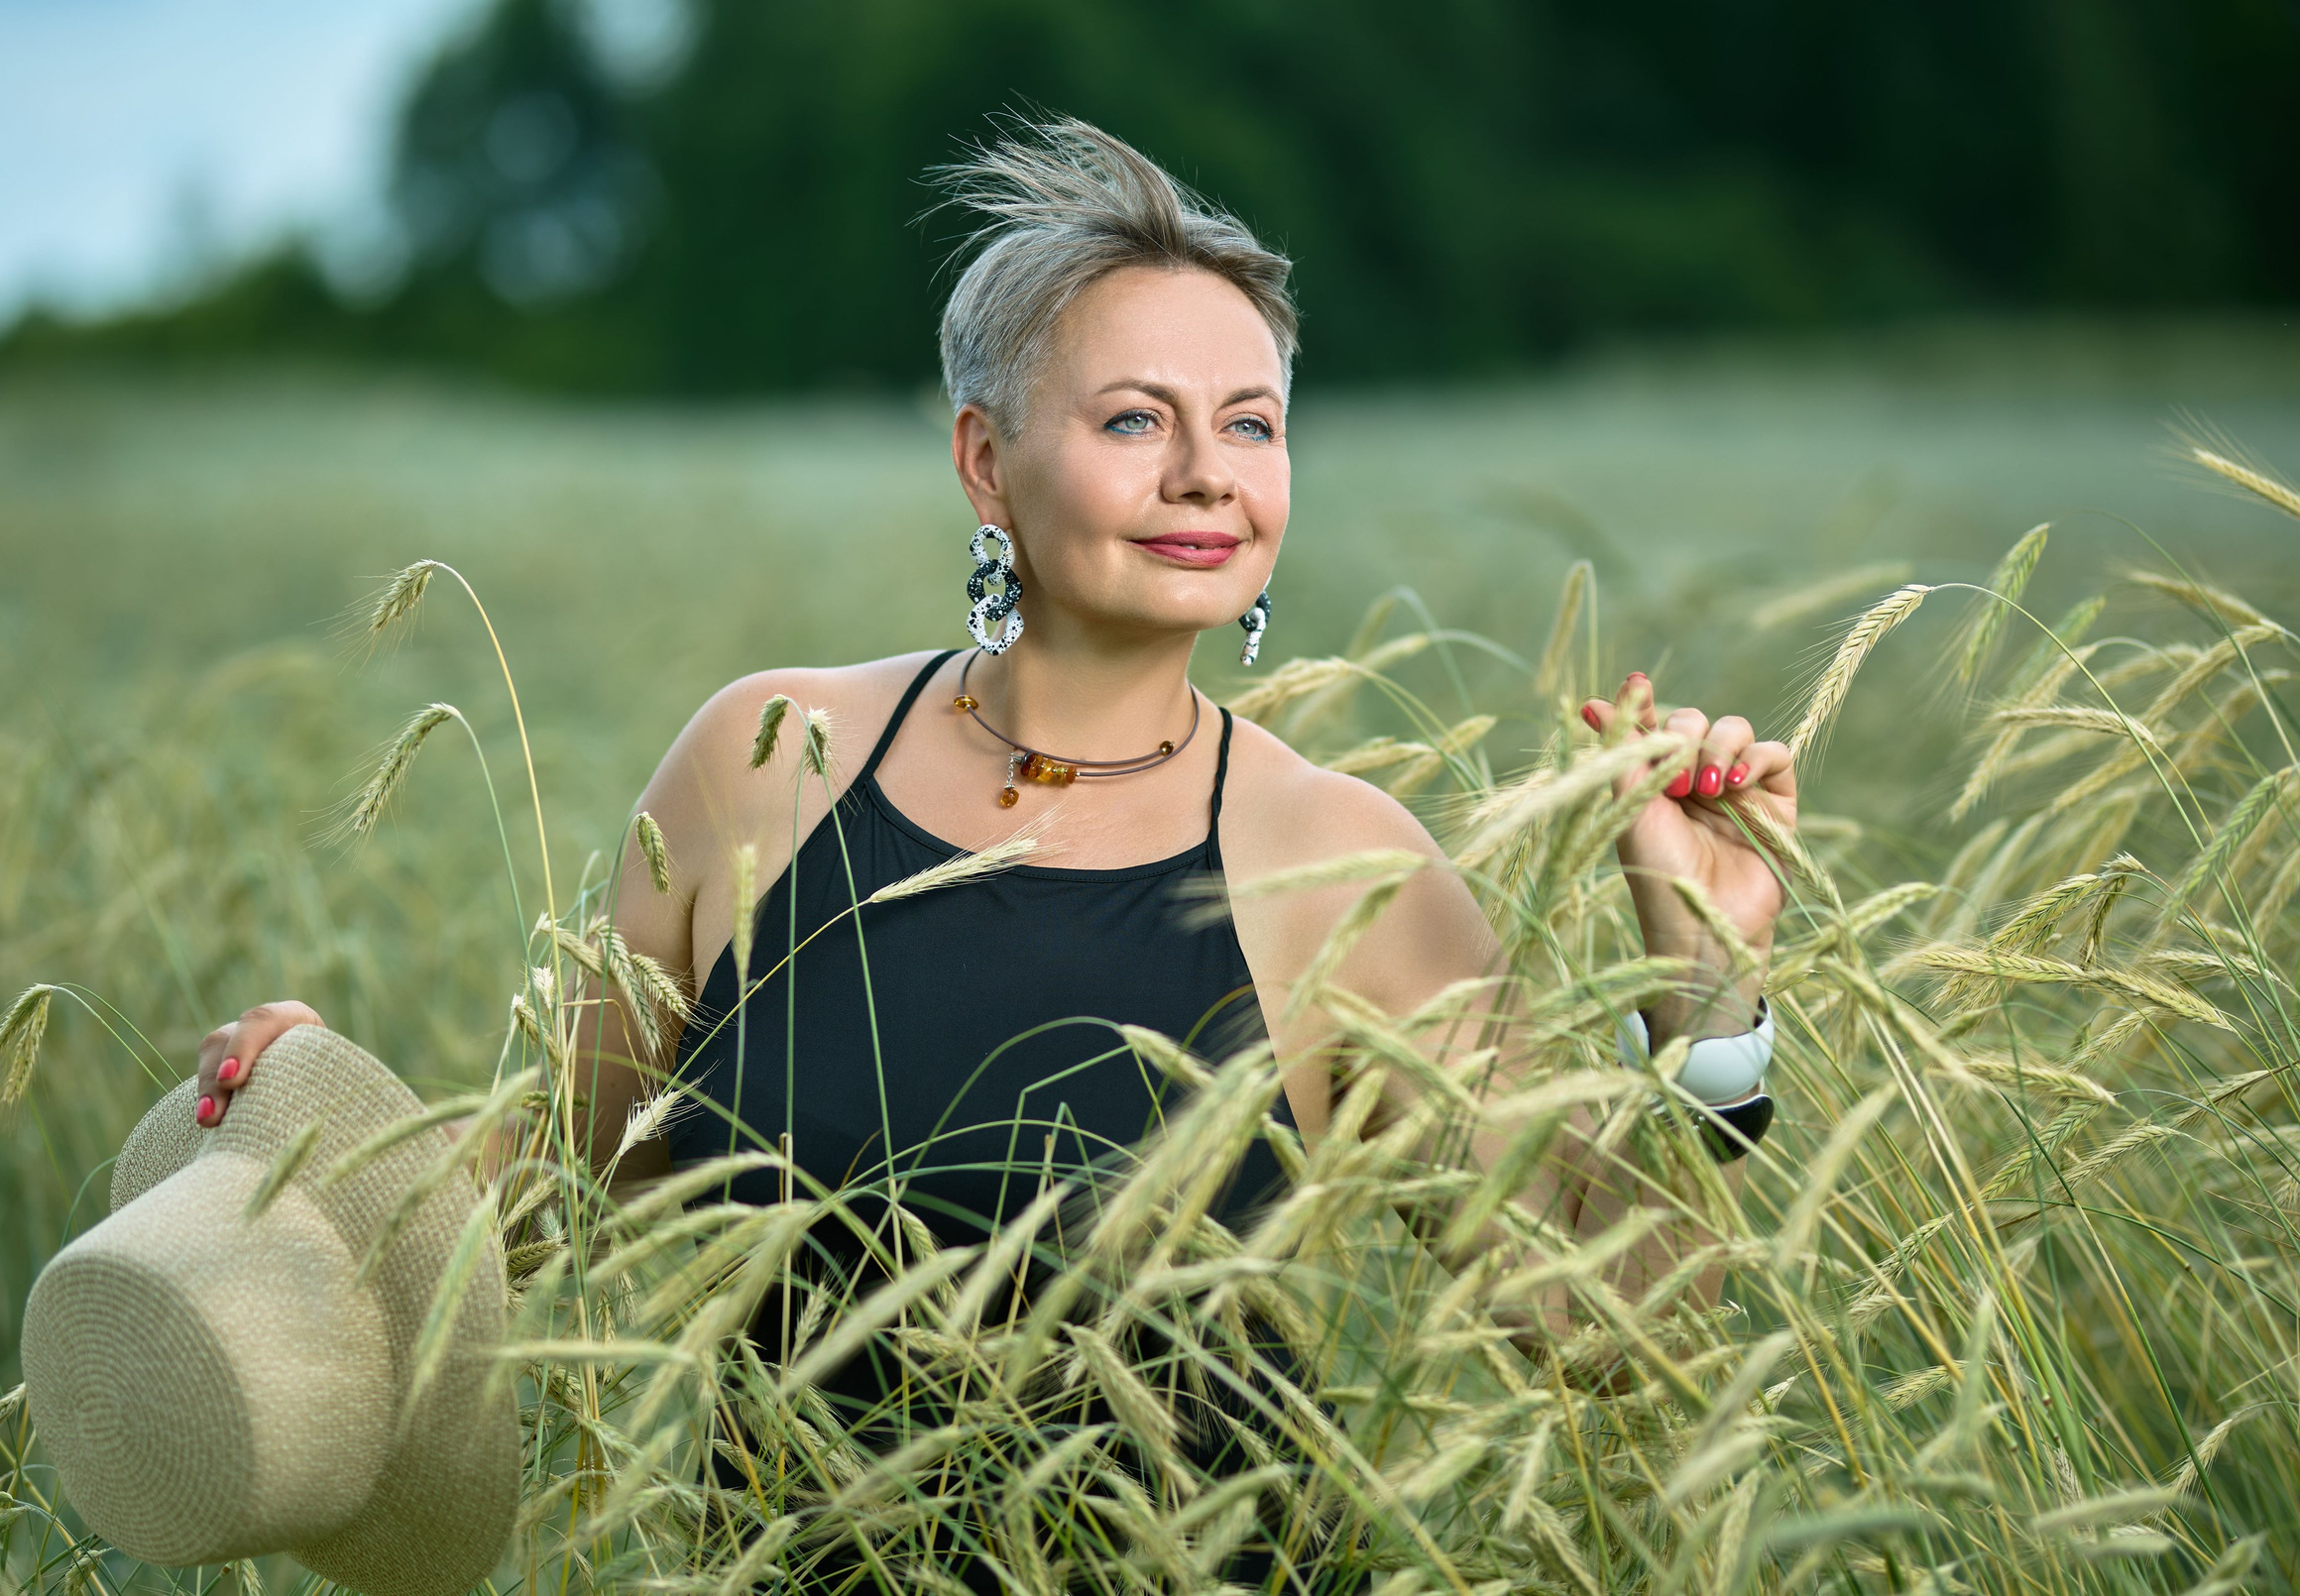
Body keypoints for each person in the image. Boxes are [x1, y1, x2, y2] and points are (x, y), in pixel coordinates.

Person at [194, 116, 1791, 1406]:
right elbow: (551, 1185)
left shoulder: (1340, 865)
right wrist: (333, 1131)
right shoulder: (768, 768)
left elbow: (1616, 1330)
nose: (1205, 475)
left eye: (1251, 424)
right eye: (1133, 421)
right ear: (985, 461)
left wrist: (1711, 1002)